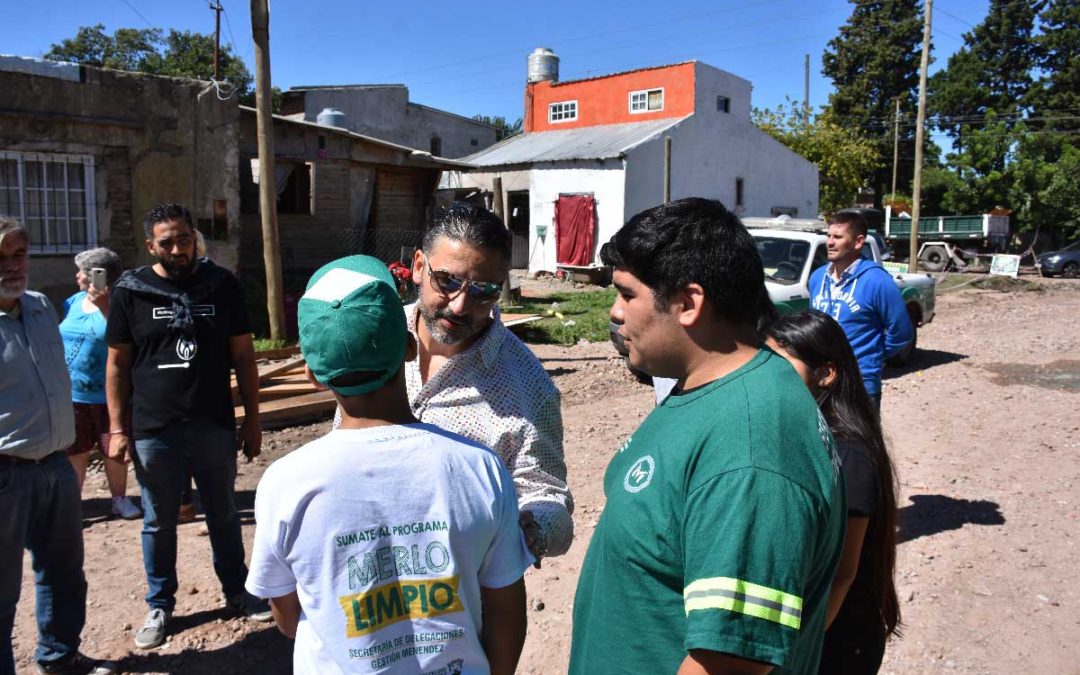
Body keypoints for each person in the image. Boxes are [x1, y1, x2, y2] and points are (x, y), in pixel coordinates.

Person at [568, 198, 846, 675]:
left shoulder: (752, 446)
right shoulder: (713, 389)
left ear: (689, 303)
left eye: (627, 295)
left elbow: (730, 660)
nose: (615, 313)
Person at [247, 255, 533, 674]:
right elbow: (507, 612)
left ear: (313, 376)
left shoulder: (286, 483)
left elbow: (288, 619)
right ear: (408, 347)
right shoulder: (479, 468)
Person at [336, 202, 573, 562]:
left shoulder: (528, 386)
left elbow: (547, 495)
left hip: (459, 586)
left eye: (483, 291)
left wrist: (531, 530)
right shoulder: (373, 339)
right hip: (361, 568)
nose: (460, 305)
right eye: (446, 281)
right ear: (418, 266)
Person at [105, 203, 270, 650]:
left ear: (194, 237)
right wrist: (117, 429)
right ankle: (160, 605)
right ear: (150, 246)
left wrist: (252, 420)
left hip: (213, 424)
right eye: (167, 243)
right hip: (154, 430)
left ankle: (237, 591)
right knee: (158, 523)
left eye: (184, 239)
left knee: (223, 514)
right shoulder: (130, 292)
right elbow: (117, 364)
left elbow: (243, 356)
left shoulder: (221, 285)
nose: (178, 250)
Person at [0, 217, 117, 675]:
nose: (12, 265)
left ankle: (59, 656)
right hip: (6, 474)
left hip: (56, 465)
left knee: (64, 571)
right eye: (1, 257)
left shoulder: (40, 306)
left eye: (19, 254)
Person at [765, 310, 902, 675]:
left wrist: (793, 654)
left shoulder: (849, 456)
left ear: (825, 374)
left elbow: (842, 576)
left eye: (780, 366)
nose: (767, 378)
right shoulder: (809, 433)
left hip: (838, 641)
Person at [60, 247, 141, 520]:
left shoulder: (121, 303)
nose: (77, 276)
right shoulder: (73, 301)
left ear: (100, 275)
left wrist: (105, 307)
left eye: (83, 271)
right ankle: (73, 506)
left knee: (112, 450)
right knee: (75, 450)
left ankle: (119, 499)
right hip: (74, 394)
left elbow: (128, 340)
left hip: (109, 396)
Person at [808, 211, 913, 411]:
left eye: (838, 237)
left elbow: (901, 332)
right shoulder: (817, 278)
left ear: (858, 242)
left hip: (860, 387)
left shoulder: (878, 281)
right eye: (828, 236)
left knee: (860, 433)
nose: (830, 242)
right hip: (821, 383)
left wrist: (873, 356)